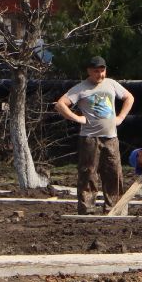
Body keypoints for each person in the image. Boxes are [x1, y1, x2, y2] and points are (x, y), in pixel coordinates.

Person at [55, 55, 134, 214]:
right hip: (90, 138)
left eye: (102, 70)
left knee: (114, 172)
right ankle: (87, 209)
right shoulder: (81, 88)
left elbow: (129, 97)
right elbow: (60, 104)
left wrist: (121, 117)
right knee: (88, 173)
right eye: (96, 71)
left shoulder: (111, 84)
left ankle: (115, 208)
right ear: (89, 71)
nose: (100, 74)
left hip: (111, 137)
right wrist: (77, 118)